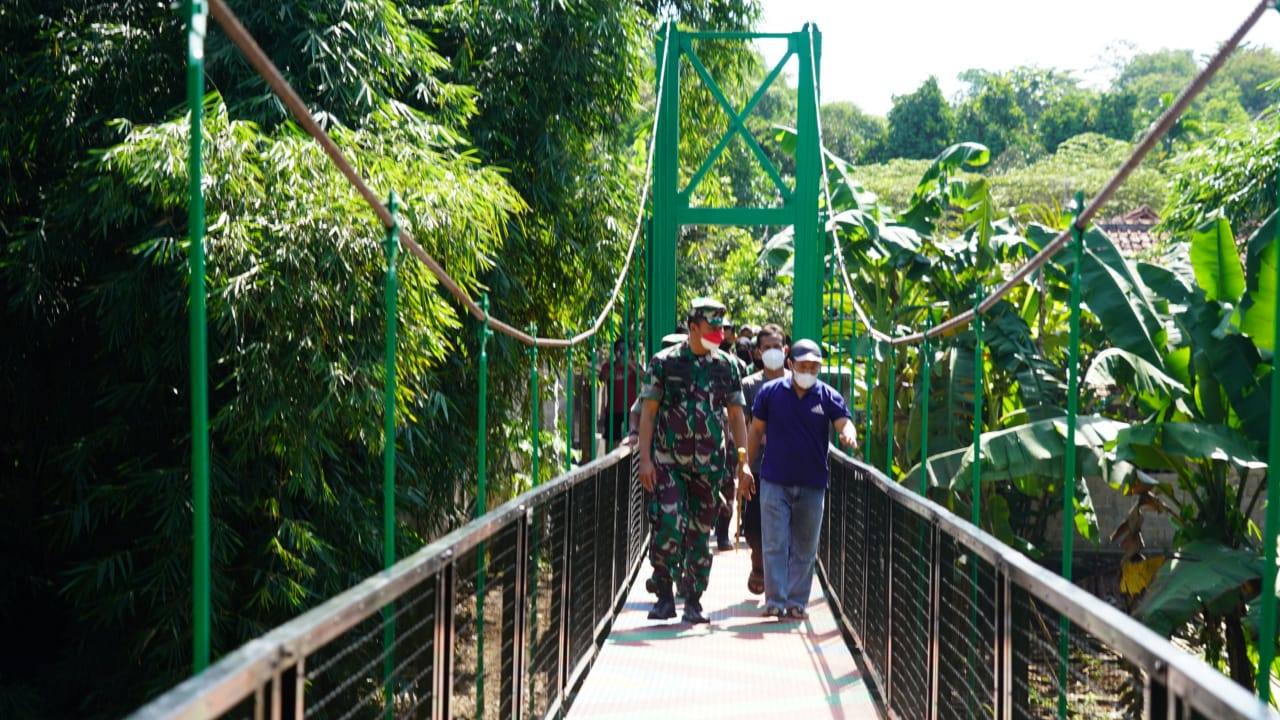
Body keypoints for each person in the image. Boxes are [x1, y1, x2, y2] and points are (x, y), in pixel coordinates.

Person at [637, 298, 752, 624]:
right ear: (693, 328)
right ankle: (663, 595)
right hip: (669, 463)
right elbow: (648, 413)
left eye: (721, 327)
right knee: (669, 525)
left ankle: (693, 600)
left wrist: (742, 463)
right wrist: (645, 460)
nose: (718, 332)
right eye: (712, 327)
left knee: (700, 536)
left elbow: (736, 415)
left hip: (709, 466)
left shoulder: (727, 366)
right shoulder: (664, 363)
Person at [740, 338, 857, 620]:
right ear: (791, 364)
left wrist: (848, 432)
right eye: (803, 366)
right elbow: (754, 432)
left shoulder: (827, 396)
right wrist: (743, 468)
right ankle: (775, 601)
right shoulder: (770, 393)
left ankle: (796, 603)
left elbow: (843, 420)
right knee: (775, 542)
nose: (808, 372)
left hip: (813, 482)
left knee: (805, 546)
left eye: (814, 367)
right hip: (774, 480)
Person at [737, 323, 789, 595]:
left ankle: (780, 582)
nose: (772, 352)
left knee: (788, 526)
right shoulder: (748, 386)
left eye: (776, 347)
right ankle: (758, 566)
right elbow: (745, 426)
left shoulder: (799, 383)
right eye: (766, 348)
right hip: (758, 467)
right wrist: (742, 465)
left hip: (791, 469)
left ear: (786, 349)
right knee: (755, 527)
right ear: (758, 352)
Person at [598, 338, 639, 446]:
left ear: (629, 351)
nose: (622, 353)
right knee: (611, 443)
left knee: (631, 442)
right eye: (619, 350)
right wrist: (616, 365)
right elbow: (602, 378)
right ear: (615, 352)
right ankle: (610, 463)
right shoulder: (608, 366)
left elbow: (645, 378)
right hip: (612, 411)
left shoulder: (635, 366)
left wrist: (629, 365)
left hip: (630, 411)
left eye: (625, 350)